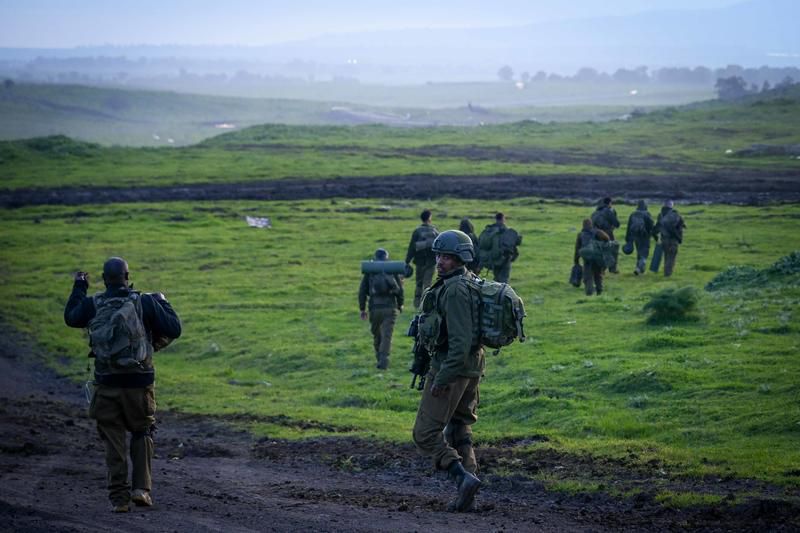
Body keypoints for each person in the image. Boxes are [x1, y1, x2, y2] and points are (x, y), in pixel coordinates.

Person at [64, 257, 181, 513]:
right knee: (142, 432)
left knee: (113, 439)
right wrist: (162, 301)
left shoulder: (92, 304)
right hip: (140, 384)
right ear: (128, 277)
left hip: (106, 384)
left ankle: (119, 499)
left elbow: (71, 318)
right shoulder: (144, 301)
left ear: (105, 279)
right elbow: (174, 328)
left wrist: (79, 285)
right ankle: (141, 489)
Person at [412, 230, 483, 512]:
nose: (441, 261)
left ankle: (462, 477)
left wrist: (442, 379)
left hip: (451, 369)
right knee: (458, 428)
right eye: (439, 256)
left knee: (425, 434)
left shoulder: (454, 290)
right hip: (470, 368)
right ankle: (469, 491)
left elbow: (460, 340)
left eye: (448, 258)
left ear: (460, 259)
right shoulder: (467, 281)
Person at [358, 248, 404, 370]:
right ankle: (383, 360)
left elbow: (362, 291)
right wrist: (400, 304)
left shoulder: (370, 271)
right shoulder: (391, 269)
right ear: (386, 257)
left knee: (377, 335)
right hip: (390, 308)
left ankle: (379, 358)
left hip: (374, 308)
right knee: (386, 336)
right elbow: (400, 290)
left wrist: (362, 309)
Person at [405, 209, 439, 309]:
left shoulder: (417, 231)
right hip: (431, 262)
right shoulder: (435, 231)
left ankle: (416, 304)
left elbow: (412, 247)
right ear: (429, 218)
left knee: (419, 283)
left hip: (419, 262)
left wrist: (407, 261)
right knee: (427, 284)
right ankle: (426, 305)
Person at [478, 212, 521, 283]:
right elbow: (517, 242)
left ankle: (496, 291)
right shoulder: (506, 231)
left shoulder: (490, 230)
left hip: (494, 258)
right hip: (505, 259)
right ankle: (502, 293)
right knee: (504, 279)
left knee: (497, 277)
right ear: (503, 219)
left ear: (496, 219)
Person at [574, 218, 610, 296]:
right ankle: (599, 291)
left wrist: (576, 261)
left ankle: (589, 291)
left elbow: (577, 248)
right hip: (597, 257)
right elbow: (607, 238)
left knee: (588, 275)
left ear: (583, 225)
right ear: (591, 224)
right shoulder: (598, 232)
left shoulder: (580, 235)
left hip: (587, 259)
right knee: (598, 274)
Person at [653, 200, 686, 277]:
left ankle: (666, 272)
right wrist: (679, 238)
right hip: (673, 240)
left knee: (666, 256)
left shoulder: (660, 215)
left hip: (664, 239)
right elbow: (680, 227)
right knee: (671, 257)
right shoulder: (676, 215)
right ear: (672, 206)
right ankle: (667, 274)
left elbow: (657, 227)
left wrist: (655, 237)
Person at [625, 200, 655, 275]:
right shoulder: (647, 214)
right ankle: (638, 269)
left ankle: (641, 270)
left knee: (639, 252)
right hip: (645, 236)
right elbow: (651, 225)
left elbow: (629, 226)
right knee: (644, 253)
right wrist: (653, 235)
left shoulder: (633, 214)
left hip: (635, 236)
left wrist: (628, 238)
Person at [591, 197, 620, 273]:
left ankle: (600, 269)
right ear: (609, 203)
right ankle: (612, 269)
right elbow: (617, 224)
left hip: (596, 234)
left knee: (600, 252)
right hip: (607, 233)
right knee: (613, 249)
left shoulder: (594, 213)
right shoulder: (608, 211)